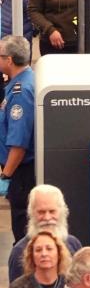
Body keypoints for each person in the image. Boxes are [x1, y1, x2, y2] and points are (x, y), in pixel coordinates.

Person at [8, 184, 83, 283]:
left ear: (62, 212)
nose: (47, 218)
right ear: (31, 214)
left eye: (52, 211)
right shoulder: (19, 252)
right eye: (41, 212)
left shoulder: (73, 244)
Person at [0, 35, 35, 243]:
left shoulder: (21, 93)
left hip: (21, 174)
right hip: (19, 172)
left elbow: (19, 144)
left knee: (22, 232)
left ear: (9, 60)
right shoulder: (20, 82)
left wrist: (6, 176)